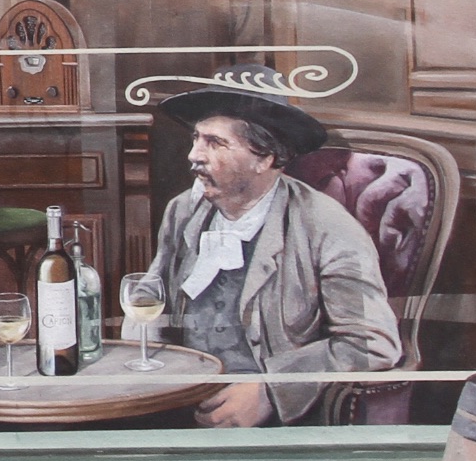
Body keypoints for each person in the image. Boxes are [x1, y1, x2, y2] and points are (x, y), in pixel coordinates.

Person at [132, 88, 399, 427]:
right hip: (178, 401)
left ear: (265, 158)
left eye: (215, 143)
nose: (194, 155)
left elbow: (372, 343)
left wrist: (272, 390)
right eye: (196, 138)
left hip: (273, 423)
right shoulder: (183, 210)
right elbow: (151, 298)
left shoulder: (327, 227)